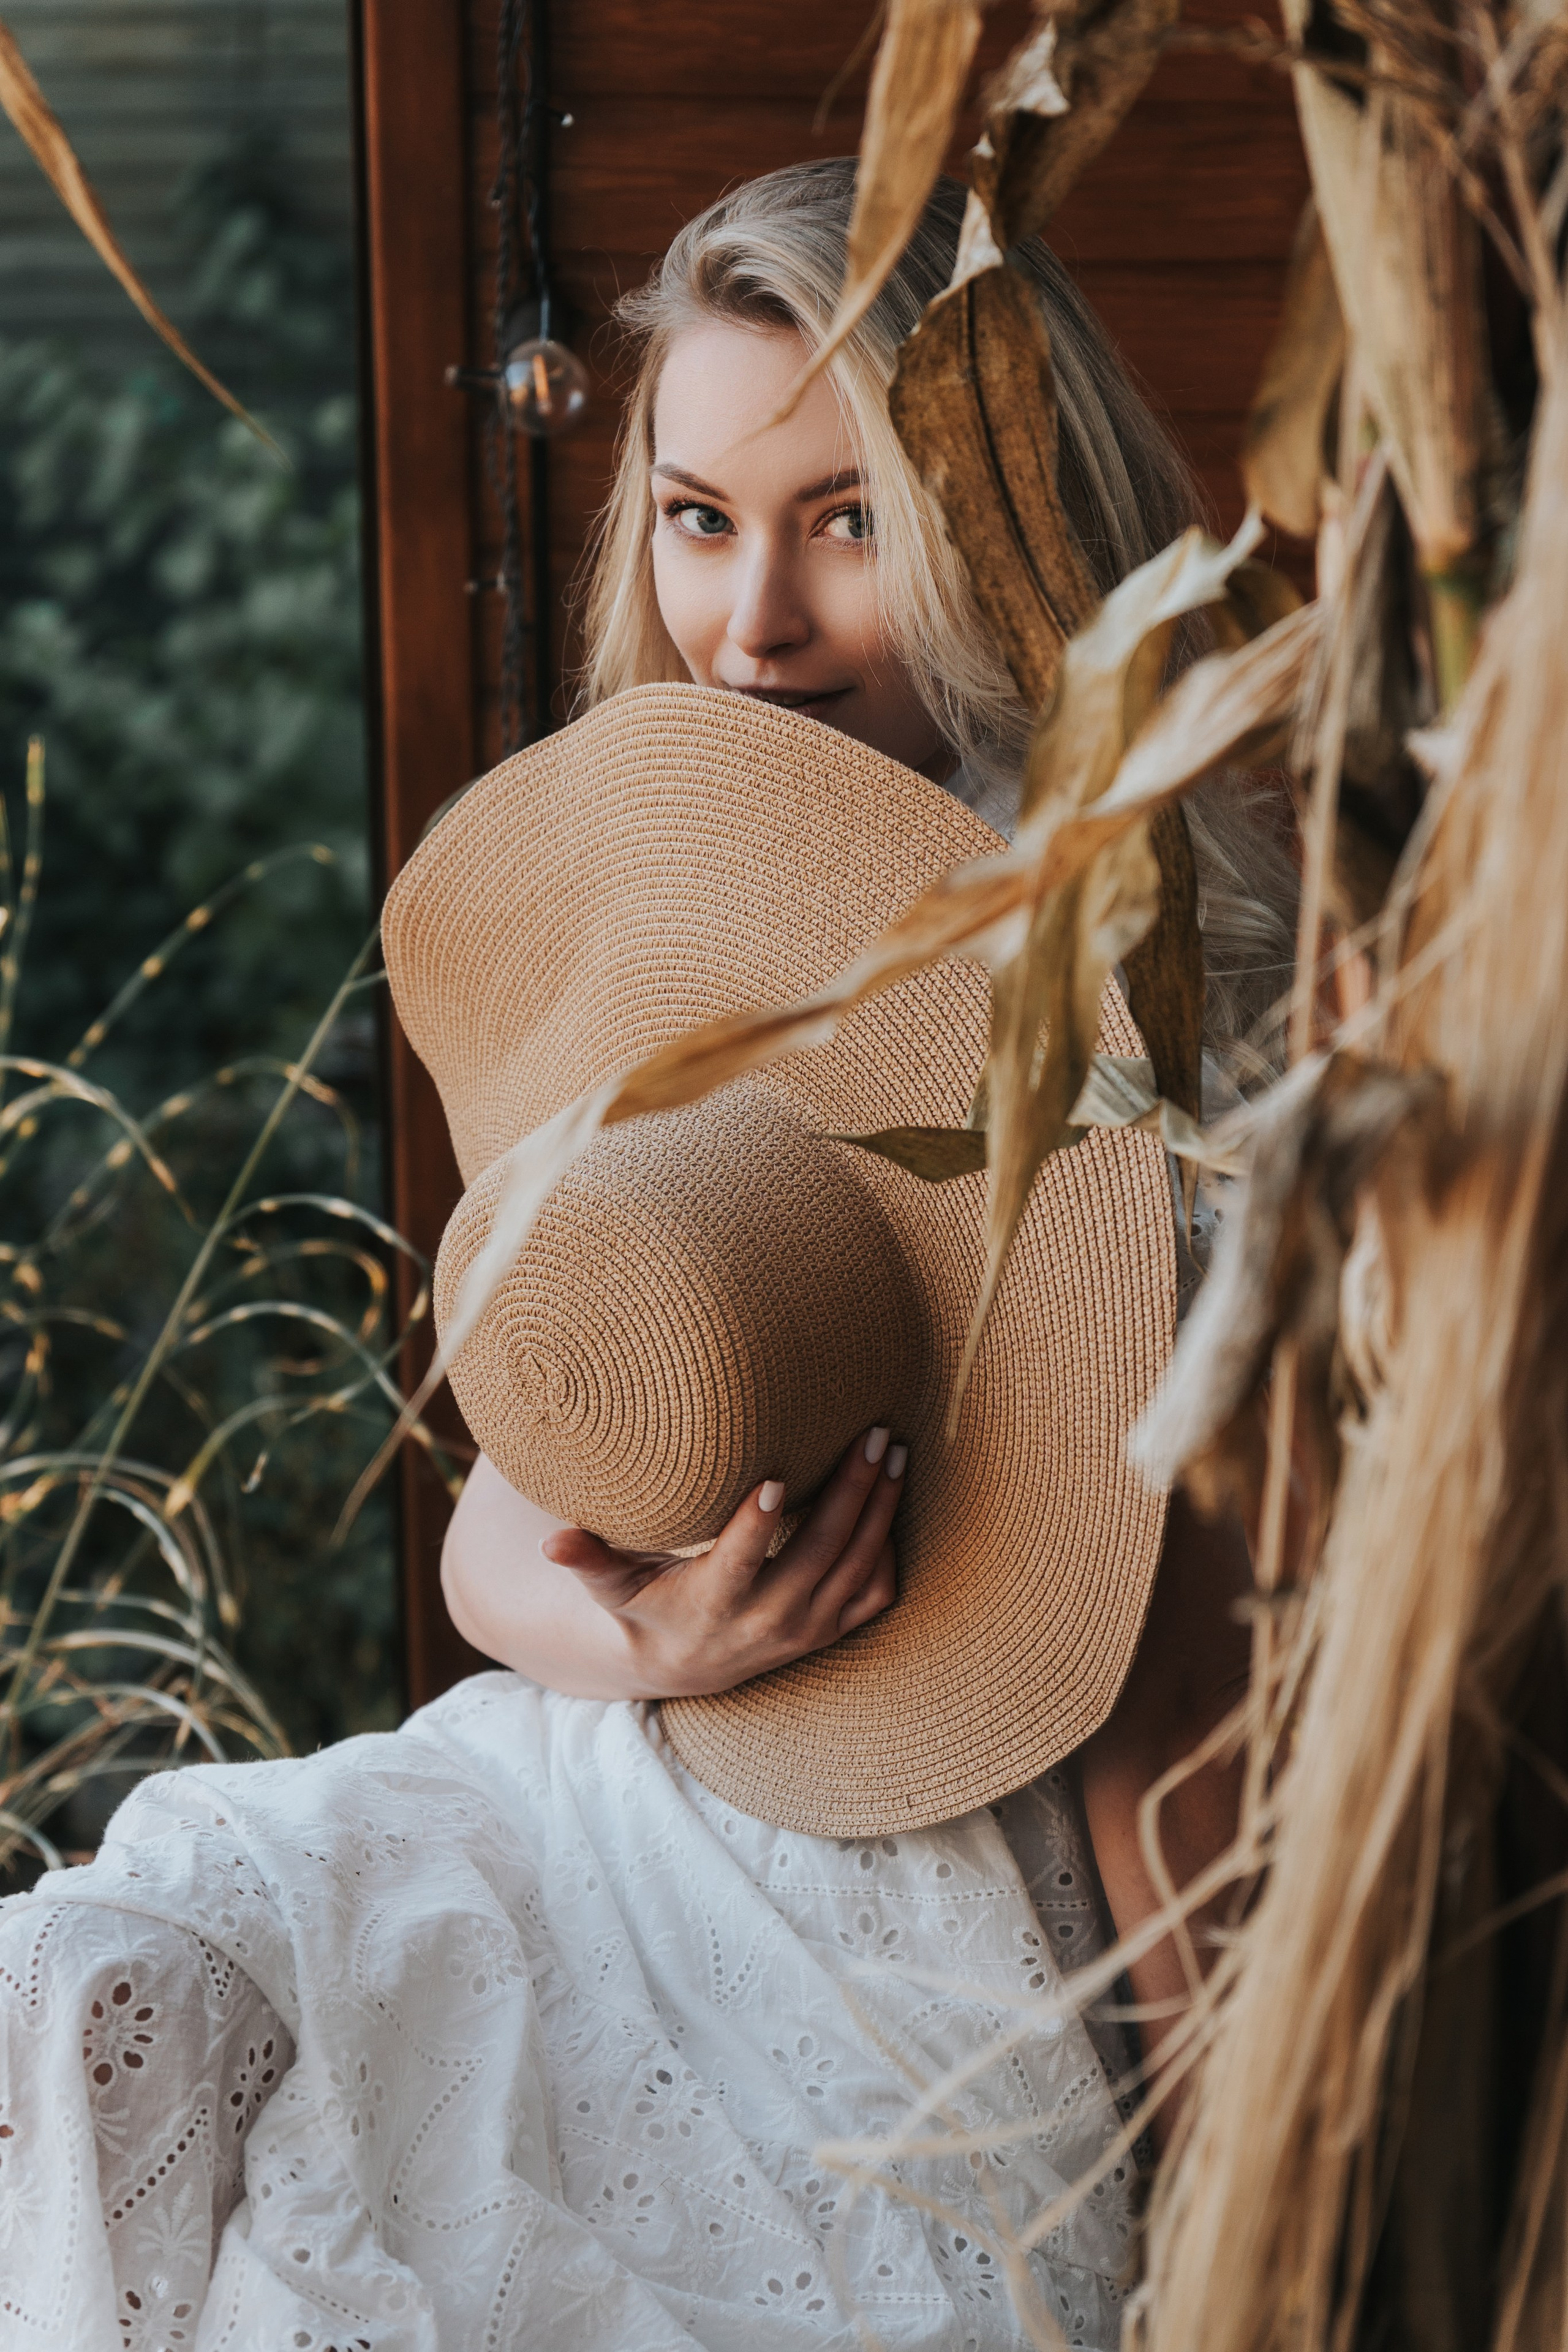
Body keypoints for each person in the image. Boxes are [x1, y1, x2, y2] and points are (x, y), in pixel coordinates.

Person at [0, 162, 1295, 2350]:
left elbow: (1191, 1749)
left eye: (846, 518)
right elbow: (503, 1553)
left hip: (934, 1918)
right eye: (698, 516)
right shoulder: (696, 914)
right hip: (590, 1772)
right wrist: (659, 1644)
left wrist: (1253, 2196)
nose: (751, 622)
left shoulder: (1159, 1026)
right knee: (83, 1998)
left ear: (1003, 524)